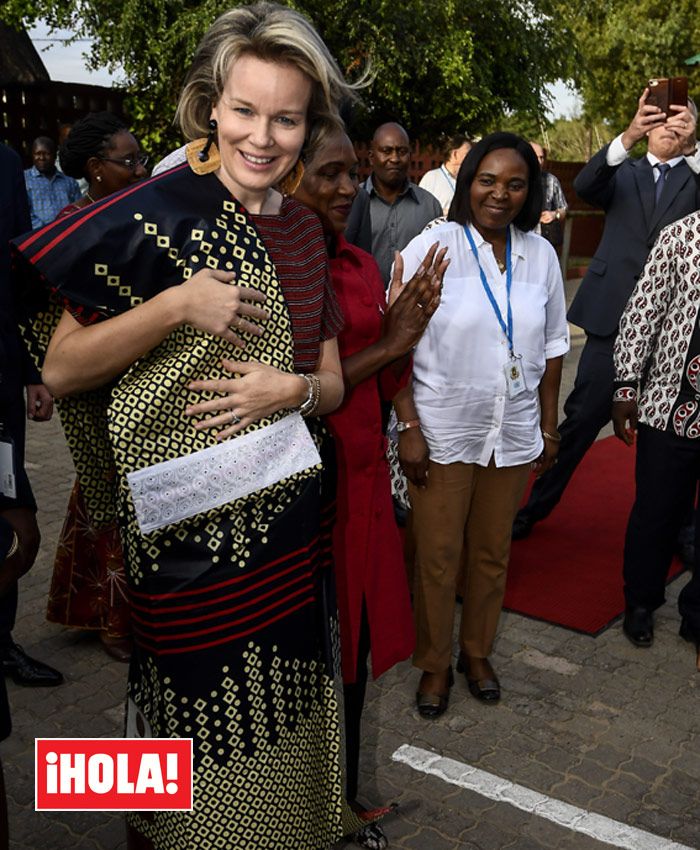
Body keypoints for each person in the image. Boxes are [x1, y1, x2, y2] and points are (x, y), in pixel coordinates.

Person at [14, 4, 373, 848]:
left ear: (308, 125)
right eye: (245, 110)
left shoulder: (308, 237)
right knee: (184, 724)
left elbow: (328, 385)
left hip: (286, 526)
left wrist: (286, 391)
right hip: (183, 540)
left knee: (280, 710)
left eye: (286, 118)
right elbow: (62, 366)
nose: (262, 136)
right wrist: (179, 303)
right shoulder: (153, 212)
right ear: (211, 105)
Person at [292, 127, 447, 848]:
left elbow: (382, 376)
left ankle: (346, 801)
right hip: (296, 499)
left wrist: (402, 332)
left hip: (357, 486)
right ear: (286, 179)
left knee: (349, 658)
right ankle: (299, 810)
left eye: (351, 174)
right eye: (329, 175)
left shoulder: (355, 263)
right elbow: (291, 391)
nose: (348, 187)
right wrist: (386, 343)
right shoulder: (265, 270)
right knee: (301, 661)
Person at [395, 132, 569, 717]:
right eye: (487, 180)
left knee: (492, 553)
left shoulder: (540, 255)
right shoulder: (434, 248)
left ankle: (477, 652)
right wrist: (408, 426)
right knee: (439, 554)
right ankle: (434, 664)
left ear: (531, 190)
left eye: (515, 184)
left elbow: (552, 348)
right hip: (444, 428)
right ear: (468, 183)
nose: (500, 194)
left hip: (513, 430)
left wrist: (548, 426)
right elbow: (395, 343)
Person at [513, 89, 700, 541]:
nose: (665, 125)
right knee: (579, 424)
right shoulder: (624, 172)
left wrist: (696, 149)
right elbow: (584, 186)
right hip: (610, 325)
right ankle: (532, 509)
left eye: (679, 119)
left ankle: (681, 532)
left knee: (673, 440)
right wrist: (631, 132)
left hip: (677, 333)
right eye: (656, 116)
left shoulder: (696, 177)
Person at [45, 112, 148, 662]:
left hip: (138, 371)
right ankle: (115, 619)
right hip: (89, 384)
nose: (139, 169)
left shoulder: (135, 215)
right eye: (128, 161)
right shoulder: (73, 226)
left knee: (124, 491)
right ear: (94, 169)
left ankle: (92, 605)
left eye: (140, 160)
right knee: (109, 494)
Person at [612, 210, 700, 668]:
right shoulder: (682, 235)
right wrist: (627, 385)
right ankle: (641, 602)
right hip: (670, 406)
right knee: (657, 510)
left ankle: (697, 612)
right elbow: (643, 311)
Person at [0, 143, 61, 689]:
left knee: (10, 522)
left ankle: (1, 643)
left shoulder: (3, 161)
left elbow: (11, 287)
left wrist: (29, 373)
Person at [359, 122, 442, 283]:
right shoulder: (352, 203)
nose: (395, 158)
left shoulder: (429, 206)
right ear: (371, 157)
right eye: (386, 151)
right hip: (363, 303)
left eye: (402, 152)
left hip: (416, 304)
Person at [23, 137, 81, 228]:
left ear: (55, 155)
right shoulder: (24, 180)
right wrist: (47, 230)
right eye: (37, 154)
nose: (42, 158)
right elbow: (23, 212)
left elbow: (78, 209)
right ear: (32, 155)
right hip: (37, 236)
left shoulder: (69, 182)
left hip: (67, 233)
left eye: (47, 154)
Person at [419, 133, 472, 215]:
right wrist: (448, 213)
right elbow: (420, 209)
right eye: (468, 153)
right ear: (455, 155)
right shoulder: (431, 178)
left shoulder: (469, 180)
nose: (471, 157)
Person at [529, 141, 567, 250]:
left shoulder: (551, 180)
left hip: (545, 242)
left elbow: (564, 209)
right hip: (520, 241)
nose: (539, 162)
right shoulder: (515, 180)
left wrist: (554, 215)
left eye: (542, 158)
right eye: (535, 157)